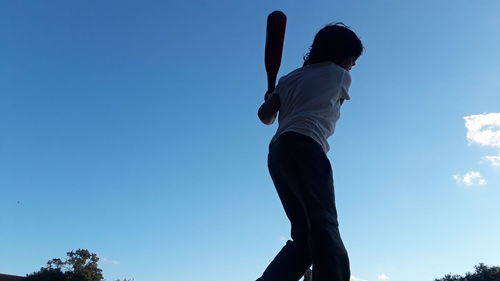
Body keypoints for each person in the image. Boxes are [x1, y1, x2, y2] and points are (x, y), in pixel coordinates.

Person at [256, 23, 364, 281]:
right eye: (353, 58)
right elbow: (333, 102)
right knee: (324, 224)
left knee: (305, 236)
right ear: (340, 55)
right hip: (307, 148)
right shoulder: (339, 74)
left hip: (279, 152)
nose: (354, 65)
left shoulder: (288, 79)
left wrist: (273, 96)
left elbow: (265, 116)